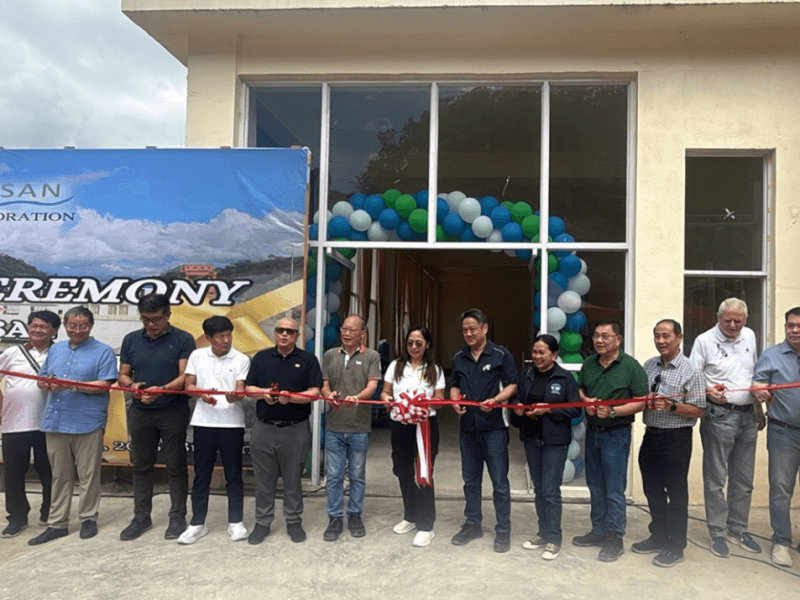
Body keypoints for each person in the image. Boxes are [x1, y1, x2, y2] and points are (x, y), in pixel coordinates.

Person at [28, 306, 117, 545]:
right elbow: (41, 380)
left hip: (88, 421)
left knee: (89, 474)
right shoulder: (55, 349)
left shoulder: (103, 351)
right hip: (56, 420)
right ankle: (57, 523)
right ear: (64, 325)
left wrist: (72, 384)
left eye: (83, 326)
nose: (77, 330)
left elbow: (104, 385)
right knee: (60, 476)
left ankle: (88, 518)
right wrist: (48, 385)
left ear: (91, 326)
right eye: (72, 325)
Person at [118, 293, 196, 541]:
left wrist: (161, 390)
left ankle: (177, 517)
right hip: (140, 410)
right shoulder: (131, 340)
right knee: (141, 466)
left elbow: (185, 377)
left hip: (173, 409)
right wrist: (133, 386)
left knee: (176, 465)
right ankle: (141, 517)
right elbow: (122, 375)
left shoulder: (183, 339)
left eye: (156, 319)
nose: (151, 324)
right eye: (145, 319)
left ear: (168, 316)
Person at [689, 298, 761, 558]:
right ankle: (718, 532)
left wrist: (759, 406)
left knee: (743, 480)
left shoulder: (750, 336)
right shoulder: (704, 341)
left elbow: (753, 373)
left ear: (746, 320)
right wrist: (707, 391)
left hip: (748, 416)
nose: (732, 325)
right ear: (717, 318)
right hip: (719, 416)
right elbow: (692, 378)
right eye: (727, 320)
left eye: (738, 321)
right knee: (716, 478)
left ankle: (738, 528)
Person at [572, 318, 648, 562]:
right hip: (592, 432)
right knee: (595, 485)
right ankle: (598, 530)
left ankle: (615, 538)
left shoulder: (631, 367)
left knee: (614, 489)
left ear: (618, 339)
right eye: (596, 336)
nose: (599, 340)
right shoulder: (588, 364)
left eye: (605, 336)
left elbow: (642, 400)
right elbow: (580, 389)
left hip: (616, 434)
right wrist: (587, 401)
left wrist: (613, 411)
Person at [634, 319, 706, 568]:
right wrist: (647, 400)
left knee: (676, 494)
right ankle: (658, 536)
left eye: (666, 336)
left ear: (679, 338)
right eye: (657, 336)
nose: (661, 341)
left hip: (676, 438)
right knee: (652, 490)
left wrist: (672, 405)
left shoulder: (691, 371)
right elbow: (640, 396)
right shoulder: (648, 366)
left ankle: (675, 546)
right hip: (651, 434)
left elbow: (698, 409)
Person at [245, 317, 322, 545]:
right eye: (280, 330)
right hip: (264, 428)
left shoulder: (308, 360)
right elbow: (249, 389)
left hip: (295, 429)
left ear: (297, 335)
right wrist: (263, 394)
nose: (284, 334)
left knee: (292, 480)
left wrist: (292, 398)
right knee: (264, 480)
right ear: (275, 333)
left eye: (290, 331)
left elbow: (315, 392)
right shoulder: (261, 358)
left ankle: (293, 521)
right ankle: (262, 522)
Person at [178, 316, 251, 545]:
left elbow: (240, 390)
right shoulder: (197, 356)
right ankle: (197, 523)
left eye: (229, 334)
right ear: (208, 338)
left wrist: (235, 396)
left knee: (233, 474)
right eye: (220, 336)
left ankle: (236, 522)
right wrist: (200, 393)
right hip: (204, 422)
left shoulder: (241, 358)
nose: (226, 340)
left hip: (232, 423)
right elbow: (189, 386)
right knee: (201, 474)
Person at [450, 308, 518, 553]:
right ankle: (472, 523)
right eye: (465, 330)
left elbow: (512, 384)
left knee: (499, 481)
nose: (468, 334)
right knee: (470, 481)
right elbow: (454, 385)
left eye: (473, 329)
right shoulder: (459, 356)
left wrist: (497, 400)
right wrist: (455, 400)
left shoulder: (501, 354)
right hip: (468, 429)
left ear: (485, 328)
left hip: (494, 429)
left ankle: (503, 530)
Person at [511, 334, 581, 561]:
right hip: (532, 438)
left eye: (542, 352)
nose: (537, 356)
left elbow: (575, 410)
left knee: (551, 491)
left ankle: (554, 539)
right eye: (535, 352)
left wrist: (549, 409)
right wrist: (518, 408)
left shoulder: (565, 378)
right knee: (539, 489)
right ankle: (542, 532)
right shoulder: (528, 375)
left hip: (554, 441)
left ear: (554, 354)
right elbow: (517, 400)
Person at [379, 325, 445, 548]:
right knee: (403, 470)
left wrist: (420, 404)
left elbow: (440, 399)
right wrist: (389, 399)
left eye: (419, 343)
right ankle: (411, 516)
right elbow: (385, 392)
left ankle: (426, 525)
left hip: (425, 426)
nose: (414, 347)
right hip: (400, 425)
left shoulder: (434, 369)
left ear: (427, 345)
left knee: (423, 472)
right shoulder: (395, 367)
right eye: (410, 343)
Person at [321, 315, 381, 542]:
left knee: (357, 475)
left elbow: (373, 386)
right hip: (334, 426)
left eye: (352, 330)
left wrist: (356, 398)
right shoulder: (330, 355)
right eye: (343, 329)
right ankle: (335, 517)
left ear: (362, 333)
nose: (346, 333)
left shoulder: (372, 356)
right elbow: (324, 385)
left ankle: (355, 514)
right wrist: (329, 395)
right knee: (334, 476)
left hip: (359, 427)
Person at [0, 311, 60, 538]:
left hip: (50, 424)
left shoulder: (60, 352)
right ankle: (17, 518)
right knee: (14, 473)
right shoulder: (12, 352)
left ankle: (49, 513)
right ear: (28, 327)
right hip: (15, 423)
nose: (37, 330)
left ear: (54, 331)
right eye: (34, 326)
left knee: (50, 472)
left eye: (44, 327)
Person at [751, 307, 800, 568]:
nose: (795, 330)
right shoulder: (771, 356)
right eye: (791, 325)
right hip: (784, 432)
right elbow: (756, 385)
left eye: (799, 326)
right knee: (781, 489)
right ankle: (781, 541)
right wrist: (760, 393)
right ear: (785, 327)